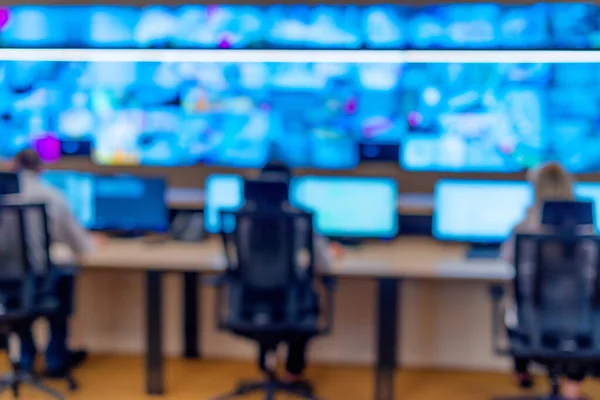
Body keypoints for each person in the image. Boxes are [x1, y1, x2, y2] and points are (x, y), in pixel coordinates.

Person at [238, 160, 339, 384]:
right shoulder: (299, 220)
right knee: (304, 296)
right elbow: (322, 263)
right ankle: (293, 372)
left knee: (269, 297)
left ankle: (267, 365)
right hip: (291, 303)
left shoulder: (243, 220)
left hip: (250, 304)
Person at [500, 162, 593, 400]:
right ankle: (572, 388)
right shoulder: (588, 233)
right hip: (582, 330)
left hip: (532, 325)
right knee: (585, 314)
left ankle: (522, 372)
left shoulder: (524, 230)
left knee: (509, 307)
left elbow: (507, 260)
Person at [4, 149, 99, 377]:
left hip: (5, 287)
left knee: (18, 300)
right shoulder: (52, 195)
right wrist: (92, 243)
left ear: (13, 166)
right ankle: (56, 359)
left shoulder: (3, 196)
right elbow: (80, 244)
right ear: (40, 168)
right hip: (39, 284)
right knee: (64, 278)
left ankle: (26, 359)